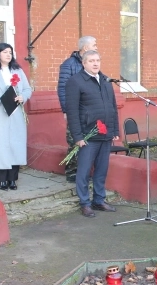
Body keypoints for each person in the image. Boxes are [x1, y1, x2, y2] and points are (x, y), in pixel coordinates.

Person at [65, 50, 119, 218]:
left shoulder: (105, 80)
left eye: (97, 60)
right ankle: (85, 203)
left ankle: (99, 200)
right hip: (88, 136)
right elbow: (72, 112)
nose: (95, 63)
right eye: (91, 61)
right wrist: (78, 137)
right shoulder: (75, 82)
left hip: (105, 134)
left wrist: (115, 130)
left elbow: (113, 107)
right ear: (84, 63)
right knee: (84, 170)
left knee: (102, 169)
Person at [0, 43, 32, 191]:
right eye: (5, 52)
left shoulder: (17, 70)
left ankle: (13, 179)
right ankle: (1, 179)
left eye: (10, 52)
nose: (8, 54)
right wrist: (1, 97)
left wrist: (23, 96)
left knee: (15, 145)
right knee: (0, 147)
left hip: (15, 113)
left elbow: (27, 88)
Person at [57, 36, 97, 183]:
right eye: (94, 44)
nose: (97, 47)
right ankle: (72, 172)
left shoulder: (92, 65)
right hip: (75, 110)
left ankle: (85, 171)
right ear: (85, 48)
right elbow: (62, 88)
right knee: (74, 139)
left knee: (88, 140)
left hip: (90, 110)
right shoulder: (69, 65)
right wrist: (66, 110)